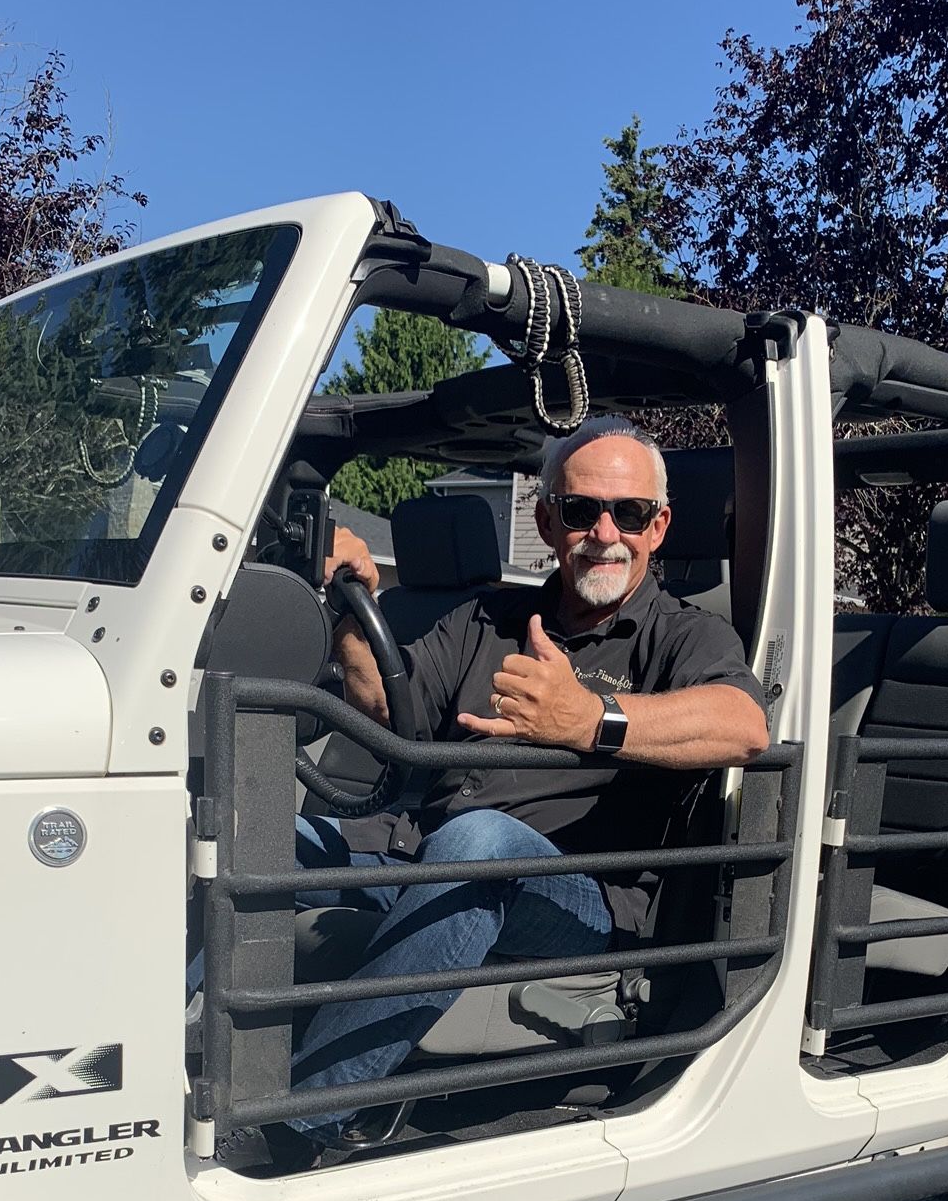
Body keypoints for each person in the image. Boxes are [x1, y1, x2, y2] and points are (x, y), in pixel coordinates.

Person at [280, 415, 769, 1160]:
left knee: (479, 846)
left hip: (579, 897)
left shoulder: (685, 634)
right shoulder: (488, 617)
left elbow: (743, 726)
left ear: (658, 526)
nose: (604, 532)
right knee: (253, 835)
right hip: (420, 853)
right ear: (545, 521)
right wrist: (352, 607)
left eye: (629, 512)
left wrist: (589, 719)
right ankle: (136, 1072)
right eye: (580, 510)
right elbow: (384, 706)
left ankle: (299, 1124)